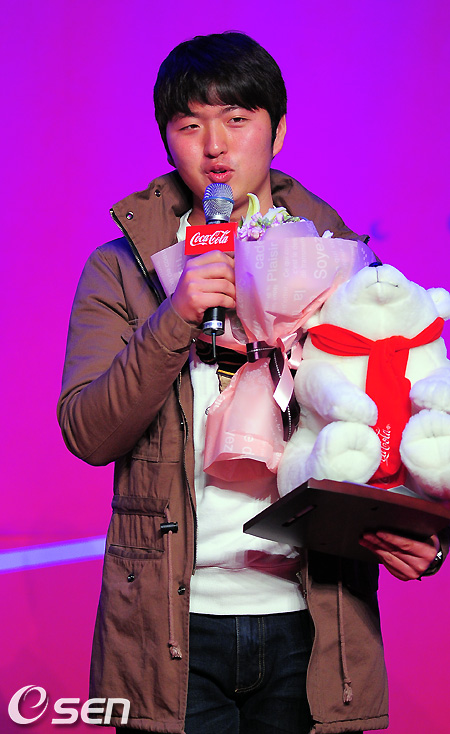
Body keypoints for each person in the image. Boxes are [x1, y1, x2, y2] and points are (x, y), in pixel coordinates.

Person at [57, 31, 447, 734]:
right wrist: (175, 316)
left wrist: (425, 536)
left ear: (278, 130)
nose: (215, 146)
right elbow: (89, 432)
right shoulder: (121, 270)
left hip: (313, 621)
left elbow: (400, 416)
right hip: (171, 628)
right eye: (190, 125)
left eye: (237, 119)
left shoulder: (342, 263)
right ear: (166, 139)